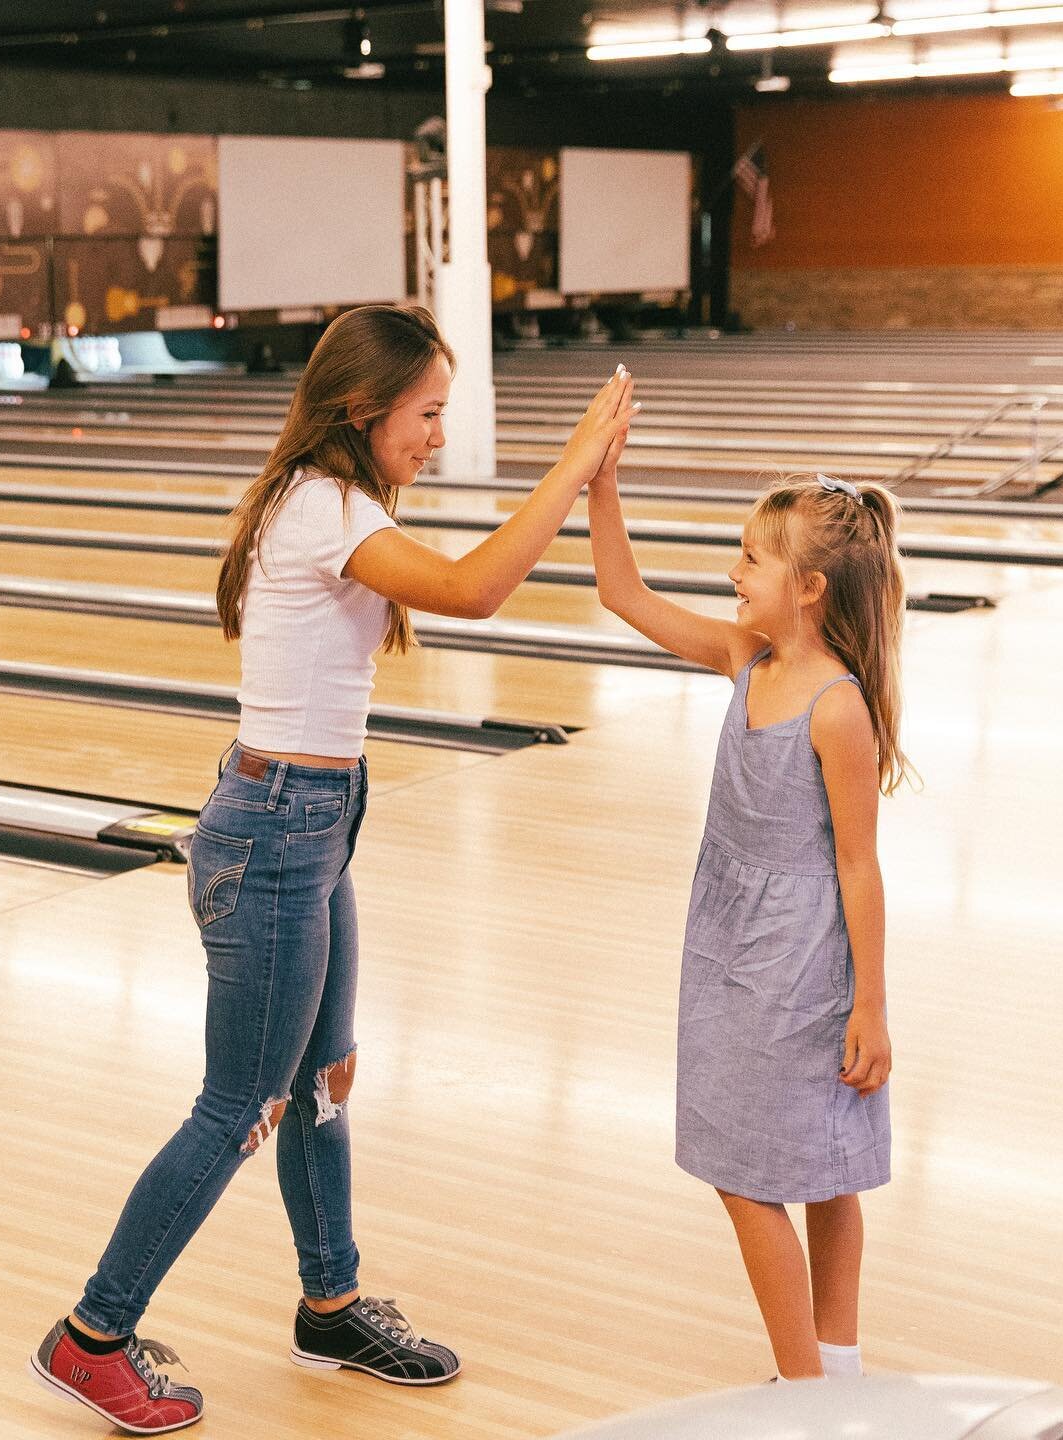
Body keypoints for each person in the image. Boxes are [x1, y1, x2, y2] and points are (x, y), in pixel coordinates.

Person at [32, 303, 638, 1433]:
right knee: (241, 1102)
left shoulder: (336, 500)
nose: (438, 436)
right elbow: (474, 590)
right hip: (273, 833)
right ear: (363, 410)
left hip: (315, 821)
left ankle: (331, 1303)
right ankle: (92, 1335)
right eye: (428, 414)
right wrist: (571, 463)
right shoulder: (321, 507)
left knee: (323, 1078)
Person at [588, 454, 911, 1383]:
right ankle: (830, 1380)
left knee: (790, 1169)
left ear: (808, 589)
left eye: (751, 560)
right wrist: (602, 486)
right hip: (727, 945)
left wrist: (871, 1007)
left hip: (802, 965)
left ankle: (809, 1383)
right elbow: (622, 592)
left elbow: (860, 867)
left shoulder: (837, 708)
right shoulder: (746, 657)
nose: (734, 574)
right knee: (796, 1162)